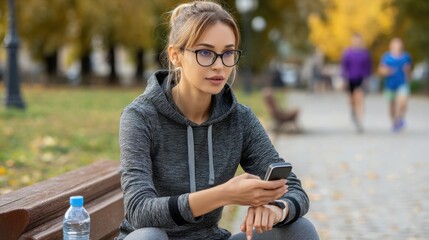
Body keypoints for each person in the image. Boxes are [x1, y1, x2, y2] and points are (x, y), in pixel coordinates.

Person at [116, 1, 319, 240]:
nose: (219, 65)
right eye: (205, 52)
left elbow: (294, 189)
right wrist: (224, 194)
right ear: (175, 55)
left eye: (228, 53)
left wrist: (277, 209)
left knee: (299, 229)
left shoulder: (239, 119)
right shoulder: (140, 117)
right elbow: (139, 211)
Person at [378, 38, 412, 132]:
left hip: (402, 83)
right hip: (390, 84)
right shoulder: (386, 57)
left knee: (403, 102)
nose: (398, 47)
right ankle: (394, 123)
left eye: (399, 45)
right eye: (395, 45)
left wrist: (408, 75)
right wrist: (387, 71)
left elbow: (408, 69)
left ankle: (400, 117)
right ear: (391, 46)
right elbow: (381, 70)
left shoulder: (406, 57)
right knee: (391, 106)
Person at [340, 33, 372, 133]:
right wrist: (343, 79)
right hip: (350, 78)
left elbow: (368, 67)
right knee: (352, 99)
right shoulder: (347, 53)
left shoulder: (365, 53)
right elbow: (344, 66)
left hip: (361, 78)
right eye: (355, 40)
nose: (357, 42)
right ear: (352, 41)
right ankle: (353, 112)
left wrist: (368, 79)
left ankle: (359, 120)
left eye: (359, 40)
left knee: (360, 98)